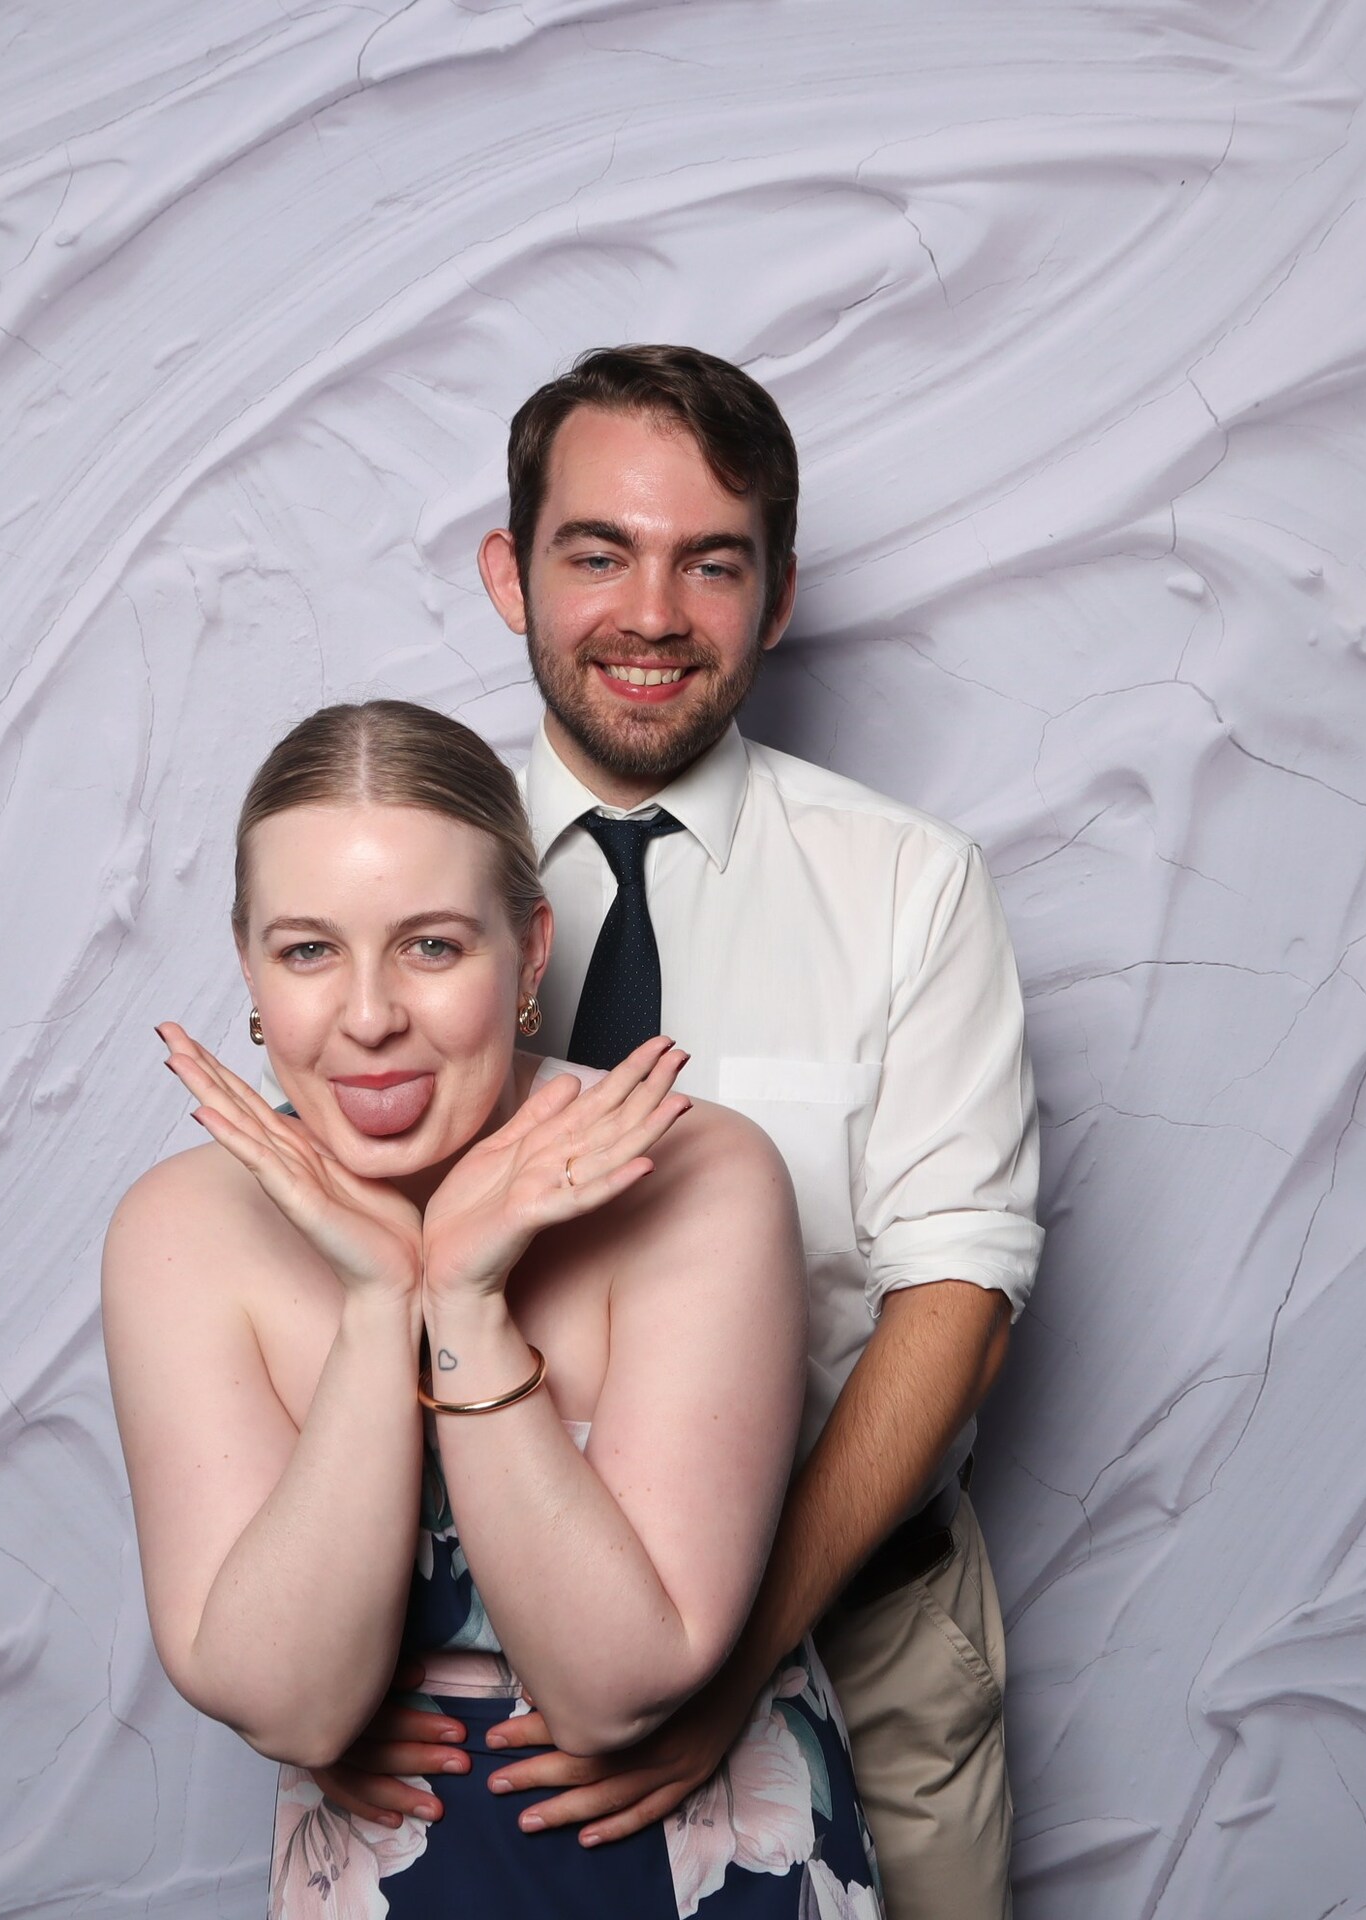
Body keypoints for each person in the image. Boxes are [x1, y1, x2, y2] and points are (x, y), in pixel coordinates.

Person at [312, 348, 1041, 1918]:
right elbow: (317, 1248)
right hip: (450, 1670)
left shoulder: (907, 886)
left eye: (711, 562)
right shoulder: (390, 874)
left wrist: (737, 1661)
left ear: (777, 598)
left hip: (848, 1621)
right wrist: (326, 1676)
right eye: (599, 554)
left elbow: (958, 1306)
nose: (652, 614)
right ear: (509, 572)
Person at [103, 699, 887, 1917]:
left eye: (431, 946)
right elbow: (292, 1706)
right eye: (308, 951)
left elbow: (615, 1689)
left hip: (707, 1857)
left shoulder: (702, 1176)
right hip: (386, 1875)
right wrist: (382, 1302)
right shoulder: (179, 1230)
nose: (370, 1016)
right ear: (249, 965)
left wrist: (464, 1301)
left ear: (529, 953)